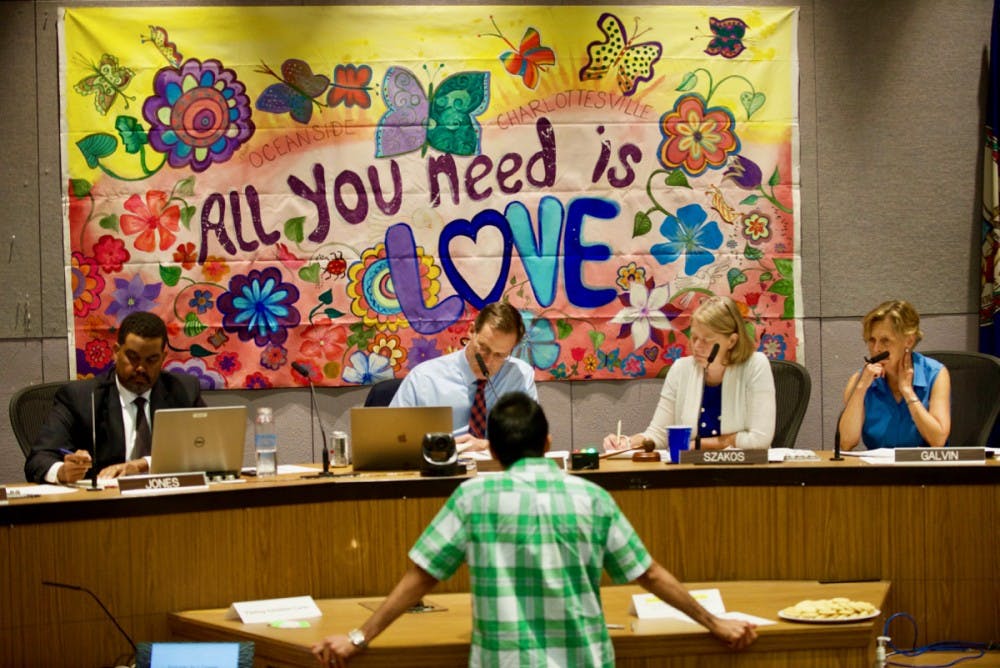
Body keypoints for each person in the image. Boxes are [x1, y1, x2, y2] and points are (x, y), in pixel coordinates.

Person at [312, 392, 757, 666]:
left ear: (496, 454)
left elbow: (418, 581)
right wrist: (716, 623)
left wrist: (356, 639)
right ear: (546, 444)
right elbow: (651, 575)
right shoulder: (592, 498)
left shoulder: (473, 499)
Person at [24, 311, 205, 483]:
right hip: (106, 506)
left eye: (151, 360)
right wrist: (63, 472)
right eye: (133, 357)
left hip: (168, 503)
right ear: (116, 352)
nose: (141, 368)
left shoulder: (183, 391)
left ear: (163, 358)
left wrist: (143, 465)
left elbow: (207, 451)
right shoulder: (81, 397)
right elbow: (38, 460)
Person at [604, 295, 775, 453]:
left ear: (731, 341)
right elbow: (659, 434)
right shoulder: (681, 369)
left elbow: (760, 440)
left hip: (741, 474)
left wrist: (698, 445)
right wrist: (627, 443)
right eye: (694, 338)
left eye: (707, 340)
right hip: (690, 471)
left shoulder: (755, 365)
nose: (697, 347)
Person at [390, 302, 536, 452]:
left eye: (500, 355)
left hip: (498, 469)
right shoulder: (424, 378)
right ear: (472, 331)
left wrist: (486, 446)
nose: (488, 361)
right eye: (484, 348)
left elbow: (532, 441)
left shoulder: (519, 376)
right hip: (439, 467)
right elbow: (391, 440)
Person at [837, 300, 950, 449]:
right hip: (879, 470)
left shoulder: (936, 374)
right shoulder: (860, 380)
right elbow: (845, 443)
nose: (876, 348)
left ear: (909, 341)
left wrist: (908, 392)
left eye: (885, 341)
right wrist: (861, 388)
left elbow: (938, 441)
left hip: (925, 469)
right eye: (872, 340)